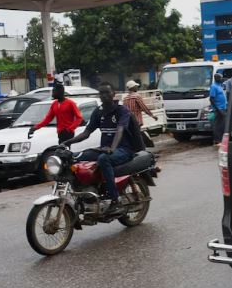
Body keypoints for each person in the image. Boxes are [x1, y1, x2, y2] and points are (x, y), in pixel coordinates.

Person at [61, 83, 136, 215]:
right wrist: (66, 142)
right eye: (101, 93)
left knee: (103, 159)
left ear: (113, 94)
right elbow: (86, 133)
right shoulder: (98, 112)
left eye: (107, 92)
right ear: (99, 96)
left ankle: (115, 200)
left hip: (124, 149)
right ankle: (85, 193)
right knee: (74, 156)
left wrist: (112, 148)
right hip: (104, 149)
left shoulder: (122, 111)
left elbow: (120, 130)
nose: (104, 95)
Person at [28, 80, 83, 144]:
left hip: (68, 133)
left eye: (54, 92)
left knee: (64, 150)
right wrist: (35, 128)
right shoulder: (54, 104)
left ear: (59, 92)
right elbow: (48, 119)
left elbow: (79, 118)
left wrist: (70, 129)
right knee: (61, 149)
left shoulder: (70, 103)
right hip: (60, 132)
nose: (52, 94)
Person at [123, 80, 158, 147]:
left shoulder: (125, 98)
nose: (137, 87)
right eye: (136, 86)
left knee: (134, 136)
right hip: (136, 121)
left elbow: (124, 111)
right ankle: (143, 149)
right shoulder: (137, 96)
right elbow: (144, 108)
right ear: (132, 87)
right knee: (138, 137)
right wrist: (152, 116)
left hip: (129, 121)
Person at [209, 73, 228, 145]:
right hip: (218, 109)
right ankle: (217, 140)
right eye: (220, 78)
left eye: (221, 78)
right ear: (216, 78)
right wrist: (217, 109)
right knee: (218, 125)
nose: (221, 79)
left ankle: (221, 140)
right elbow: (211, 99)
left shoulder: (220, 85)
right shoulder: (213, 86)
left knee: (223, 125)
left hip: (223, 108)